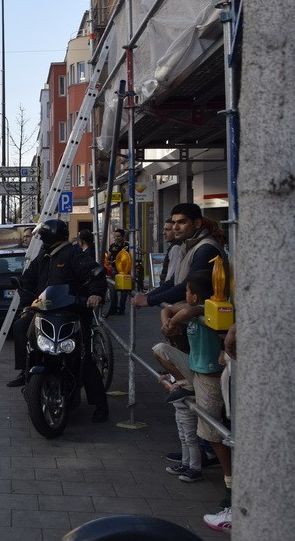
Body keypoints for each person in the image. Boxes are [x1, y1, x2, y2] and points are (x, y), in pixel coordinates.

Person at [8, 219, 109, 423]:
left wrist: (95, 294)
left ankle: (100, 405)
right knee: (20, 327)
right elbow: (28, 279)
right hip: (44, 312)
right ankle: (24, 370)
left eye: (43, 234)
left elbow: (95, 271)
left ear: (51, 235)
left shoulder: (73, 254)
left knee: (84, 358)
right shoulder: (44, 255)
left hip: (73, 313)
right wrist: (28, 303)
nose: (40, 238)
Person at [161, 270, 234, 526]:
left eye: (187, 291)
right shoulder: (197, 306)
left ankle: (231, 490)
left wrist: (176, 317)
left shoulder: (206, 310)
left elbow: (186, 312)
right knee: (206, 431)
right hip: (196, 372)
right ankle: (182, 384)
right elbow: (172, 308)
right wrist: (167, 318)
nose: (185, 295)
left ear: (195, 294)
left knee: (213, 434)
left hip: (210, 379)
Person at [133, 203, 225, 309]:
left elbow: (186, 288)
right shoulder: (187, 246)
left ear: (197, 223)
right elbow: (173, 282)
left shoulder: (205, 248)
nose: (175, 227)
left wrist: (149, 300)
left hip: (203, 320)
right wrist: (146, 297)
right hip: (185, 315)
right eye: (174, 222)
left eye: (182, 222)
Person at [105, 228, 129, 316]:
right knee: (113, 289)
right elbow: (109, 256)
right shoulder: (112, 246)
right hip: (114, 270)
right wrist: (109, 261)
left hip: (125, 270)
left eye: (118, 236)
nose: (116, 238)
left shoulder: (127, 246)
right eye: (115, 236)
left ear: (122, 237)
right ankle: (113, 308)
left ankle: (122, 308)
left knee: (124, 290)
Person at [160, 218, 183, 287]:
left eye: (168, 230)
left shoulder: (176, 248)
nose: (164, 233)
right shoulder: (175, 246)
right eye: (164, 229)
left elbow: (171, 275)